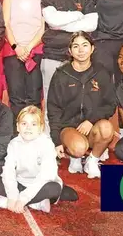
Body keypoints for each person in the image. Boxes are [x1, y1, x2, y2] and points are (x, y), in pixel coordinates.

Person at [46, 32, 116, 179]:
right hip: (69, 127)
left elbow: (110, 104)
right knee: (78, 148)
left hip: (93, 126)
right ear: (70, 51)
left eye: (85, 45)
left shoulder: (101, 72)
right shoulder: (61, 74)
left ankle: (93, 160)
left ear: (92, 48)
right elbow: (53, 109)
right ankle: (75, 157)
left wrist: (91, 120)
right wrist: (56, 140)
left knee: (107, 129)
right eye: (76, 46)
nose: (81, 50)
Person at [0, 106, 78, 213]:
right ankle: (36, 203)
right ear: (17, 127)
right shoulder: (13, 144)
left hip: (41, 185)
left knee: (55, 188)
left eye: (34, 124)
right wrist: (12, 196)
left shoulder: (47, 144)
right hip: (20, 183)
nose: (28, 128)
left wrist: (23, 199)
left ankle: (3, 202)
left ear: (41, 128)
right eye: (24, 124)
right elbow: (9, 171)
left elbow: (45, 176)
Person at [40, 0, 97, 102]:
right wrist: (78, 15)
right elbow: (52, 20)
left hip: (79, 57)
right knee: (52, 100)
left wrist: (62, 23)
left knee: (78, 100)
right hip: (53, 55)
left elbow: (91, 23)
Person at [1, 0, 45, 115]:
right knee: (16, 97)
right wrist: (17, 47)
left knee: (34, 96)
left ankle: (35, 128)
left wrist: (29, 47)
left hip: (36, 51)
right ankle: (17, 129)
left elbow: (43, 26)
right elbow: (6, 23)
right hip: (13, 51)